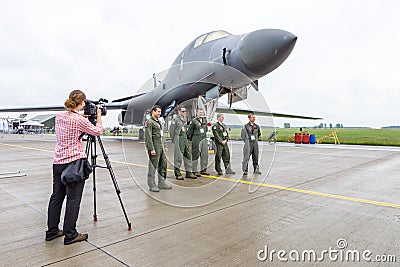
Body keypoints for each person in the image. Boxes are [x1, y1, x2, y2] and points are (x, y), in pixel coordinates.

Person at [45, 89, 103, 245]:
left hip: (58, 162)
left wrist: (79, 116)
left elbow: (71, 121)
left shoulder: (59, 116)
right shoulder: (79, 120)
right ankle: (70, 234)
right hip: (74, 163)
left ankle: (52, 231)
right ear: (82, 103)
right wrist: (98, 116)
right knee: (73, 199)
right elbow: (97, 131)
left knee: (56, 197)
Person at [145, 105, 172, 192]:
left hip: (161, 148)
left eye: (160, 112)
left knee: (163, 164)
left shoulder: (159, 123)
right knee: (153, 166)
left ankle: (162, 182)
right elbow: (148, 137)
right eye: (158, 111)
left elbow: (162, 136)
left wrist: (165, 145)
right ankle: (151, 184)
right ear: (153, 111)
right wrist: (151, 148)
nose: (160, 113)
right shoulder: (149, 122)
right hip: (155, 147)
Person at [169, 105, 196, 180]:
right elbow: (172, 131)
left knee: (187, 155)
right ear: (179, 112)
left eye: (185, 111)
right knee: (178, 157)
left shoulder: (183, 119)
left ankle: (189, 172)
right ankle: (177, 173)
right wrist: (175, 140)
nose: (184, 113)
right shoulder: (175, 120)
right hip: (179, 138)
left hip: (184, 138)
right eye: (183, 111)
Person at [187, 108, 209, 176]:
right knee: (195, 155)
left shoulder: (205, 121)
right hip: (196, 139)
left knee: (205, 155)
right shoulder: (194, 121)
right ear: (197, 113)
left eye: (202, 112)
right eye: (199, 112)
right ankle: (194, 170)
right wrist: (191, 140)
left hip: (204, 139)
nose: (201, 114)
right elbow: (189, 132)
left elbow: (206, 129)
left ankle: (203, 170)